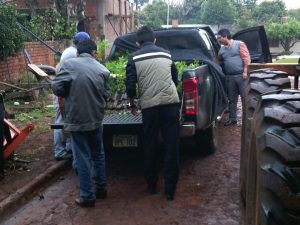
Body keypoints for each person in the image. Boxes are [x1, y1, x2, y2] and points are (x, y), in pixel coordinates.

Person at [51, 39, 110, 207]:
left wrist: (69, 91)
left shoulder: (69, 66)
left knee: (82, 157)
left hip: (77, 120)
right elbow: (106, 95)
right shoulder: (103, 69)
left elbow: (57, 88)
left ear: (77, 53)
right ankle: (101, 188)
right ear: (94, 53)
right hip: (97, 120)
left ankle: (87, 196)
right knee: (98, 154)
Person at [125, 26, 180, 201]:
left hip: (150, 107)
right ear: (154, 39)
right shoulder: (167, 54)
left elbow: (130, 85)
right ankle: (170, 190)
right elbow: (175, 77)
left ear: (137, 43)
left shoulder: (133, 58)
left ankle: (152, 186)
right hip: (171, 104)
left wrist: (132, 104)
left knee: (150, 145)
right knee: (172, 146)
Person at [53, 32, 90, 161]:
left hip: (66, 90)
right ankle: (59, 151)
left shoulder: (71, 50)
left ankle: (68, 148)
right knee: (60, 121)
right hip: (62, 91)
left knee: (67, 120)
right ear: (81, 42)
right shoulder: (73, 53)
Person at [217, 28, 251, 126]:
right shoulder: (221, 49)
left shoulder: (239, 44)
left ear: (225, 36)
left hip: (241, 76)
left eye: (220, 38)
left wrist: (245, 72)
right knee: (232, 99)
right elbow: (219, 60)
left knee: (245, 98)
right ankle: (232, 118)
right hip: (230, 77)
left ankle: (247, 120)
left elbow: (247, 59)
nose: (219, 40)